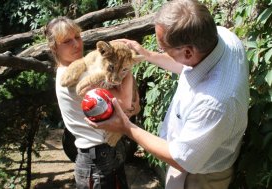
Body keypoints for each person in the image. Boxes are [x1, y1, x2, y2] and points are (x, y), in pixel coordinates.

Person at [85, 0, 250, 189]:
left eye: (163, 48)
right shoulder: (222, 37)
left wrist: (126, 127)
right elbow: (187, 64)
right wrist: (147, 54)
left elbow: (181, 159)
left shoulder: (214, 104)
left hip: (199, 177)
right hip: (192, 156)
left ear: (188, 52)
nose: (161, 50)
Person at [44, 16, 140, 189]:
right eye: (67, 41)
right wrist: (126, 62)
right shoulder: (74, 76)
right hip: (97, 158)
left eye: (78, 37)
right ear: (54, 47)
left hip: (106, 152)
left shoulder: (82, 66)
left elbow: (129, 106)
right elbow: (125, 104)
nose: (76, 44)